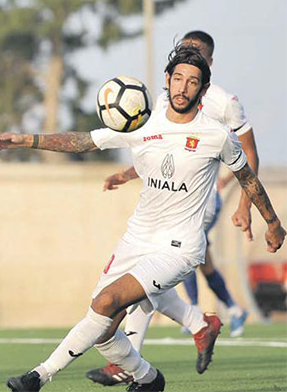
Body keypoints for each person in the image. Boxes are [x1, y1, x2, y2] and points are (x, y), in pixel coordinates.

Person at [0, 44, 284, 392]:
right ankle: (148, 378)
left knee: (106, 302)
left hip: (179, 248)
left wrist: (272, 222)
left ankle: (38, 377)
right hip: (137, 238)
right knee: (103, 332)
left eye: (192, 82)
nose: (182, 87)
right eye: (177, 79)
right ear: (167, 81)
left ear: (203, 90)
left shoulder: (216, 136)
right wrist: (25, 139)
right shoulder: (142, 124)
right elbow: (83, 141)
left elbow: (247, 177)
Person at [86, 30, 259, 387]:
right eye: (182, 56)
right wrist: (126, 173)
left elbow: (248, 155)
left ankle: (133, 356)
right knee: (166, 269)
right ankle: (206, 321)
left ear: (209, 65)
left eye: (195, 56)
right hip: (166, 198)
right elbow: (159, 153)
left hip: (201, 198)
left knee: (157, 266)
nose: (184, 71)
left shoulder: (224, 103)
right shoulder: (168, 97)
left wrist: (245, 207)